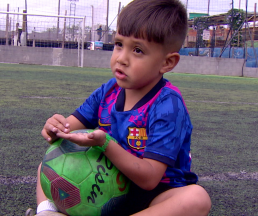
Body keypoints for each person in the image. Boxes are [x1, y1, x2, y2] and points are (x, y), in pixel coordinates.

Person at [32, 0, 212, 215]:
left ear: (167, 63)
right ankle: (47, 213)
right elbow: (69, 128)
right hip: (106, 183)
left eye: (137, 50)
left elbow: (149, 179)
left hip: (155, 195)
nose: (121, 58)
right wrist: (56, 129)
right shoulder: (109, 91)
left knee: (197, 199)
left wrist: (105, 143)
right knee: (49, 163)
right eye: (119, 44)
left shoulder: (168, 105)